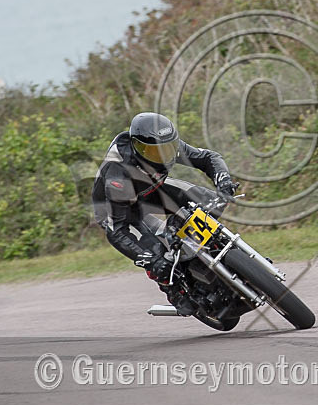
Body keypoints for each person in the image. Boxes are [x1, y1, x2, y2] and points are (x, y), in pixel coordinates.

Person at [91, 112, 237, 309]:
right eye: (154, 153)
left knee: (209, 200)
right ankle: (172, 289)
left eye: (168, 149)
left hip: (149, 188)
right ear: (137, 147)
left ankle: (225, 251)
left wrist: (224, 181)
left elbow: (208, 158)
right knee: (156, 253)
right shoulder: (119, 171)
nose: (162, 156)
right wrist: (150, 260)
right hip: (119, 208)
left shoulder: (166, 144)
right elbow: (116, 229)